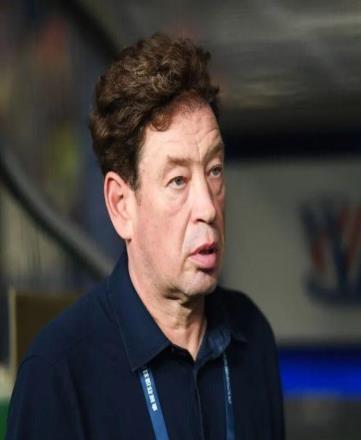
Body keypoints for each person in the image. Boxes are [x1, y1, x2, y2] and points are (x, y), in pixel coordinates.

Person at [6, 33, 284, 439]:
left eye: (214, 171)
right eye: (177, 180)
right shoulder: (59, 373)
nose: (208, 208)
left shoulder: (252, 337)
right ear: (121, 205)